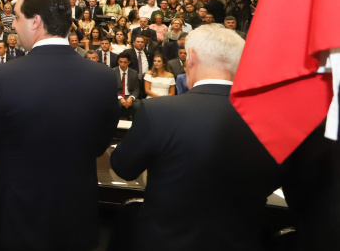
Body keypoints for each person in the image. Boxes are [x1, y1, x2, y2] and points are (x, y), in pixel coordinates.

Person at [111, 24, 282, 251]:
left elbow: (124, 168)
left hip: (165, 242)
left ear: (191, 57)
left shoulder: (158, 111)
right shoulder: (271, 119)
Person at [0, 0, 119, 251]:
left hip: (17, 212)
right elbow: (99, 143)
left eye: (17, 17)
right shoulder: (103, 78)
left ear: (35, 22)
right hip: (75, 213)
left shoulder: (5, 76)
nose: (13, 26)